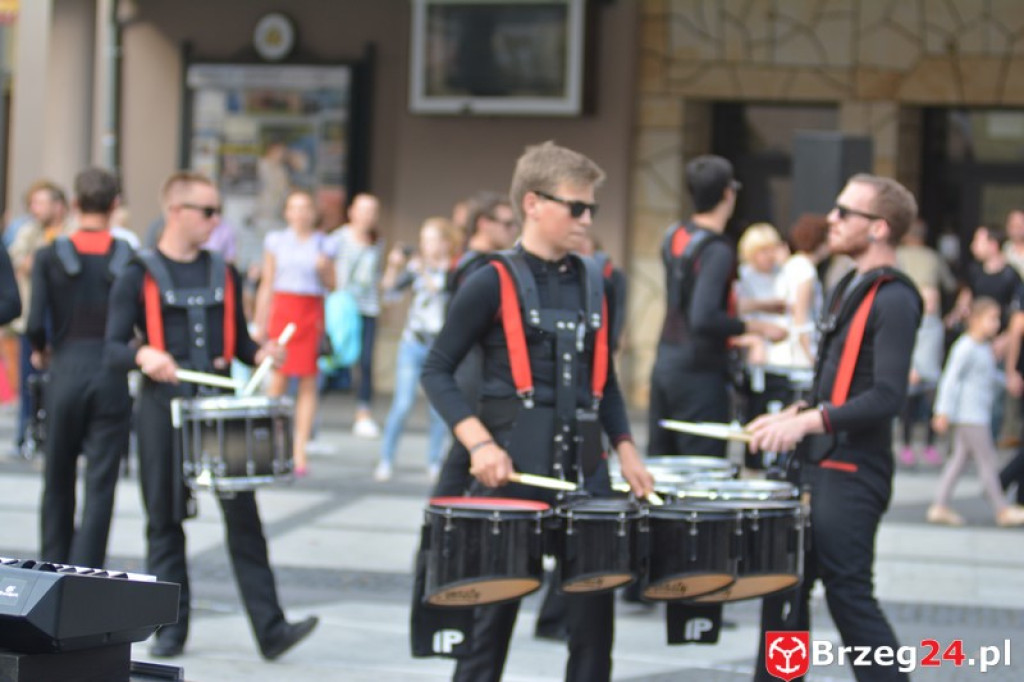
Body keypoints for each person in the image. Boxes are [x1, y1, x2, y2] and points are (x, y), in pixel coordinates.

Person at [421, 141, 653, 682]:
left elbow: (606, 381)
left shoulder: (597, 280)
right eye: (577, 206)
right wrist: (478, 442)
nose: (587, 218)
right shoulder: (488, 279)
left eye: (591, 207)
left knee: (595, 639)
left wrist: (626, 448)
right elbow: (436, 369)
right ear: (533, 203)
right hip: (511, 477)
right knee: (486, 632)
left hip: (586, 473)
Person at [104, 171, 317, 660]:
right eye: (208, 211)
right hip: (163, 407)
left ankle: (272, 629)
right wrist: (144, 357)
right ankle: (170, 631)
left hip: (220, 409)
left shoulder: (223, 269)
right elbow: (113, 346)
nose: (217, 220)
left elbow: (239, 341)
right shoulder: (137, 272)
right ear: (177, 212)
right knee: (164, 521)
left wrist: (261, 353)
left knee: (245, 519)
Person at [748, 173, 923, 682]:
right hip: (822, 463)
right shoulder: (848, 283)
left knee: (848, 596)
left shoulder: (894, 298)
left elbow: (887, 396)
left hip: (853, 470)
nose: (832, 219)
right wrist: (792, 413)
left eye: (845, 212)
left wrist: (810, 421)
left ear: (879, 229)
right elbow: (835, 386)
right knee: (786, 589)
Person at [28, 168, 133, 569]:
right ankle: (86, 575)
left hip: (66, 369)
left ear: (73, 204)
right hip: (110, 373)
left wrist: (42, 350)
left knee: (57, 478)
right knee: (101, 483)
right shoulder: (128, 259)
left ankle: (51, 572)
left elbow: (36, 322)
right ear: (115, 205)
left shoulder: (48, 255)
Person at [648, 155, 785, 458]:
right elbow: (704, 316)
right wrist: (758, 327)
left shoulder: (675, 235)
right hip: (699, 372)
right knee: (702, 472)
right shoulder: (718, 250)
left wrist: (760, 306)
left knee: (663, 465)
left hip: (666, 363)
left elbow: (691, 299)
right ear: (728, 193)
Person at [253, 190, 337, 477]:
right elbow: (267, 282)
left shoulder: (325, 243)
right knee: (277, 379)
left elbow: (333, 285)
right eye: (294, 208)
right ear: (287, 212)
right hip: (283, 309)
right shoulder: (276, 241)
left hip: (310, 311)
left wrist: (325, 270)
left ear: (313, 212)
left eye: (305, 208)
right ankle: (274, 442)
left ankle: (300, 446)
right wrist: (259, 322)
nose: (300, 214)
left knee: (308, 383)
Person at [928, 297, 1024, 527]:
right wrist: (942, 411)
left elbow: (988, 377)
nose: (996, 324)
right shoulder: (965, 347)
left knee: (958, 461)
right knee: (987, 460)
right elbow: (950, 379)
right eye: (992, 319)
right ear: (976, 320)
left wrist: (1007, 381)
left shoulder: (982, 349)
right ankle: (1001, 509)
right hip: (969, 415)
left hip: (977, 413)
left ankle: (940, 505)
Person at [374, 217, 455, 482]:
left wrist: (420, 270)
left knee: (437, 409)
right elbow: (389, 296)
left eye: (431, 239)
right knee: (403, 403)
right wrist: (393, 267)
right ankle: (386, 458)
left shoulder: (451, 270)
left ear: (444, 242)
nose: (425, 244)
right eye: (423, 239)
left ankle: (434, 461)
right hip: (413, 343)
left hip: (439, 346)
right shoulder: (414, 268)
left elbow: (438, 290)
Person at [8, 180, 67, 456]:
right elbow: (16, 263)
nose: (35, 209)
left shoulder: (71, 232)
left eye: (41, 203)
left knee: (57, 381)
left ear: (58, 206)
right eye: (33, 203)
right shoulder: (27, 232)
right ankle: (24, 435)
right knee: (27, 382)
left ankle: (54, 435)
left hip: (61, 320)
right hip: (30, 316)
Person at [332, 193, 385, 438]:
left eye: (372, 211)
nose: (368, 216)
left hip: (368, 308)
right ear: (352, 211)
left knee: (365, 363)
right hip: (343, 309)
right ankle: (312, 423)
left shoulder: (378, 241)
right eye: (364, 210)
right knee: (332, 360)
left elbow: (377, 279)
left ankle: (363, 413)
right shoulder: (338, 238)